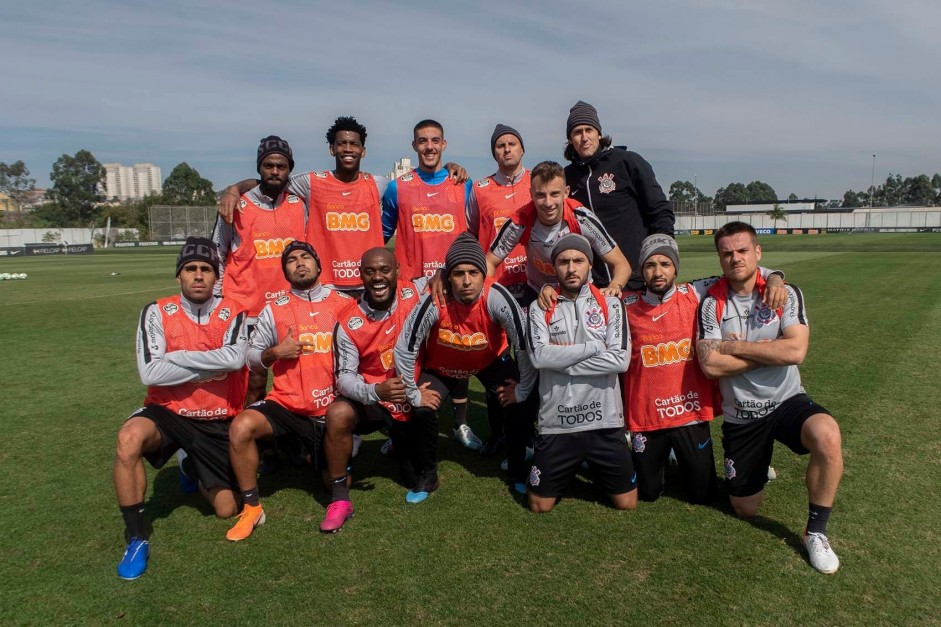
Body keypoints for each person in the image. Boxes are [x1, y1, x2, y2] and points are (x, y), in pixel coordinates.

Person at [697, 221, 844, 574]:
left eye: (742, 251)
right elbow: (710, 366)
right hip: (742, 414)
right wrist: (767, 351)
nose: (735, 259)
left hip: (786, 401)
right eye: (727, 253)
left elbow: (795, 351)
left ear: (758, 252)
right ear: (719, 258)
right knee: (745, 508)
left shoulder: (785, 293)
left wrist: (734, 347)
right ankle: (759, 463)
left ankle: (816, 532)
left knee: (828, 436)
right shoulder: (711, 301)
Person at [113, 237, 248, 580]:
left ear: (216, 276)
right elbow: (149, 372)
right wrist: (209, 364)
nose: (198, 276)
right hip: (167, 412)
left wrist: (174, 359)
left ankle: (189, 466)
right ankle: (137, 537)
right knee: (128, 439)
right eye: (190, 269)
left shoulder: (234, 310)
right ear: (179, 276)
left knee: (226, 508)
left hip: (216, 419)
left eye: (206, 269)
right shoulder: (156, 311)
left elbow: (234, 360)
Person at [622, 234, 786, 504]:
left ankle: (681, 453)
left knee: (703, 494)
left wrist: (775, 278)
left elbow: (742, 273)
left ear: (676, 267)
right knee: (648, 494)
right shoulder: (626, 303)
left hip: (689, 411)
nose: (658, 271)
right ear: (641, 270)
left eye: (665, 263)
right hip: (647, 415)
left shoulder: (695, 292)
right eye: (650, 265)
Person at [225, 241, 351, 542]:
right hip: (286, 405)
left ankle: (309, 454)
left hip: (328, 411)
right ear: (286, 272)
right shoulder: (274, 309)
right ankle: (252, 506)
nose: (300, 263)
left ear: (319, 265)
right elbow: (251, 357)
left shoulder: (344, 303)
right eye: (292, 260)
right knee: (241, 426)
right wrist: (275, 352)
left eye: (306, 257)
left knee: (334, 482)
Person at [394, 234, 536, 500]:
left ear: (484, 274)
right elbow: (404, 348)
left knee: (516, 402)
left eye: (473, 272)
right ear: (448, 276)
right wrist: (413, 393)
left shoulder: (498, 297)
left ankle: (516, 468)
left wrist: (524, 388)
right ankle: (428, 475)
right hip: (443, 366)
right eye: (459, 273)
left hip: (489, 360)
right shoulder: (435, 299)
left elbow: (524, 345)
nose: (467, 280)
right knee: (422, 409)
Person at [322, 247, 437, 531]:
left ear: (397, 270)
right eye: (370, 271)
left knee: (412, 476)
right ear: (360, 275)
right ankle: (339, 496)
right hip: (376, 397)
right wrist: (377, 391)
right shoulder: (348, 321)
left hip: (410, 392)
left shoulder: (414, 292)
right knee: (337, 413)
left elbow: (446, 274)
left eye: (385, 270)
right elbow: (344, 379)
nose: (378, 277)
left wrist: (443, 276)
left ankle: (401, 444)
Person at [382, 119, 478, 450]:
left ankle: (461, 425)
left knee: (457, 350)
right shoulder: (399, 187)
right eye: (422, 141)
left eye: (435, 140)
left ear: (444, 144)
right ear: (414, 146)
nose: (429, 146)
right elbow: (382, 233)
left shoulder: (462, 184)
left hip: (452, 285)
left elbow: (475, 231)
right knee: (408, 354)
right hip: (411, 286)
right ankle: (401, 429)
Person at [526, 233, 635, 512]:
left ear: (589, 264)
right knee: (540, 505)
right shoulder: (539, 307)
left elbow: (620, 361)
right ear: (554, 267)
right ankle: (574, 461)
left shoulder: (610, 303)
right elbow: (539, 357)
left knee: (627, 503)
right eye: (563, 261)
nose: (571, 268)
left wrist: (561, 360)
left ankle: (591, 462)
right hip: (557, 422)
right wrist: (593, 347)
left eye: (578, 260)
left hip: (604, 422)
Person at [212, 135, 305, 406]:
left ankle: (281, 434)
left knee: (293, 375)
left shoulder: (300, 204)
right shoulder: (237, 205)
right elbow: (217, 254)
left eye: (281, 166)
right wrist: (217, 303)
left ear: (289, 169)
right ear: (258, 167)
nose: (275, 171)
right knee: (251, 379)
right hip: (244, 308)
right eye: (268, 165)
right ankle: (246, 436)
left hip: (287, 307)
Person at [563, 100, 674, 289]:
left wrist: (661, 254)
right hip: (592, 286)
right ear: (570, 139)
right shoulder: (566, 177)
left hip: (637, 280)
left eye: (588, 130)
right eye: (577, 132)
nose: (584, 137)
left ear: (599, 133)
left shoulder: (627, 162)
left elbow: (660, 211)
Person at [488, 160, 631, 304]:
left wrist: (614, 286)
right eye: (540, 195)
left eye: (555, 194)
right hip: (538, 294)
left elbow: (621, 264)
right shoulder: (519, 221)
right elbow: (489, 262)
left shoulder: (582, 219)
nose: (548, 203)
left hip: (579, 294)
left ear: (566, 193)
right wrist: (489, 297)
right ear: (531, 194)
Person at [466, 124, 531, 305]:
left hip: (534, 283)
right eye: (500, 146)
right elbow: (470, 234)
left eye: (512, 144)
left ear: (522, 150)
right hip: (495, 283)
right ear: (494, 153)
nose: (507, 149)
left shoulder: (538, 182)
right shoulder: (480, 189)